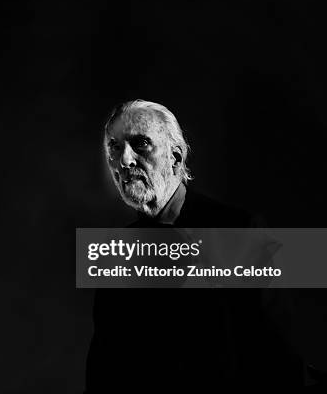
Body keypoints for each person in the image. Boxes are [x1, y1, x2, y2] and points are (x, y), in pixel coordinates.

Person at [84, 100, 304, 391]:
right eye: (114, 146)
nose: (125, 160)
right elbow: (104, 373)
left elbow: (279, 363)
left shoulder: (238, 231)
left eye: (140, 144)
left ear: (175, 157)